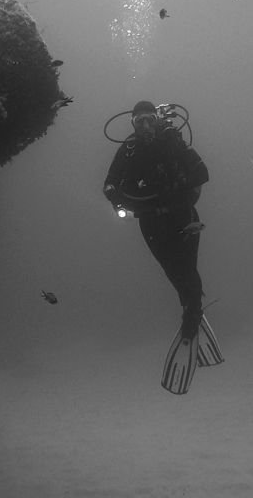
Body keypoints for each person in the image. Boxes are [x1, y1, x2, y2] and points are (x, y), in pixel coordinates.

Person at [102, 100, 209, 340]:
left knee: (187, 266)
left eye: (150, 119)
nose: (146, 126)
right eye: (139, 121)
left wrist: (179, 185)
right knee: (169, 267)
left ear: (158, 119)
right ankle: (189, 303)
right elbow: (109, 184)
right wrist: (117, 201)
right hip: (150, 221)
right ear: (133, 124)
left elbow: (202, 173)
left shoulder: (172, 141)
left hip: (183, 214)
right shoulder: (128, 149)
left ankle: (193, 309)